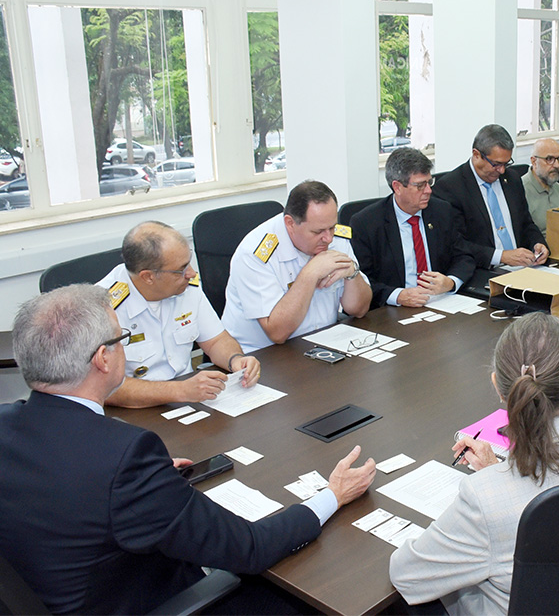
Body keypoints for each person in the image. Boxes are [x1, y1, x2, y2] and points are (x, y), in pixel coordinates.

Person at [0, 284, 376, 614]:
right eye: (121, 339)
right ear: (102, 358)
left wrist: (149, 482)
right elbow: (250, 547)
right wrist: (332, 496)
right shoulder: (124, 456)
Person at [389, 313, 559, 614]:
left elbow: (407, 575)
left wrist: (494, 482)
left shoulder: (483, 499)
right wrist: (496, 476)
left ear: (499, 388)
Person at [94, 221, 260, 408]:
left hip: (187, 400)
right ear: (148, 276)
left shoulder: (186, 287)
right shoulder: (102, 307)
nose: (191, 273)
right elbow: (106, 389)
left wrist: (235, 360)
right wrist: (180, 390)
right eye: (180, 270)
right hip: (136, 411)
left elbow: (216, 341)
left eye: (188, 263)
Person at [223, 180, 372, 352]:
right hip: (261, 355)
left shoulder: (335, 239)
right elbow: (277, 333)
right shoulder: (255, 254)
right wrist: (310, 274)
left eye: (332, 228)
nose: (329, 238)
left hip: (321, 343)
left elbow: (359, 310)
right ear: (290, 223)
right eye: (318, 232)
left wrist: (352, 274)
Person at [350, 148, 475, 308]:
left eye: (429, 182)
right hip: (394, 310)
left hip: (441, 302)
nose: (429, 191)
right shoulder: (366, 223)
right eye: (420, 185)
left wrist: (450, 282)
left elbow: (464, 256)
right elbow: (362, 281)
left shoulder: (441, 211)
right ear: (397, 187)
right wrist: (398, 295)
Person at [433, 124, 549, 269]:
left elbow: (525, 223)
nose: (501, 170)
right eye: (496, 164)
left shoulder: (511, 179)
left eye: (506, 164)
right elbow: (456, 244)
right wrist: (501, 256)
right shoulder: (450, 188)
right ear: (476, 155)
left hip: (523, 267)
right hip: (483, 271)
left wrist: (538, 243)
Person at [521, 138, 559, 236]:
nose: (557, 165)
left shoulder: (557, 187)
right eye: (549, 159)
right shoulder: (520, 190)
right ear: (534, 162)